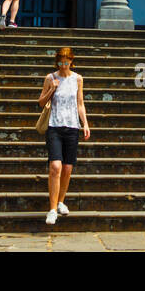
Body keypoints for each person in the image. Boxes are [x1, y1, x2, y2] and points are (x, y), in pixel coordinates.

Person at [37, 46, 90, 225]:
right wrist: (52, 89)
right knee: (55, 167)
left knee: (67, 168)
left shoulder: (78, 79)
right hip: (54, 126)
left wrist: (86, 123)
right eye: (60, 62)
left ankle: (60, 201)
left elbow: (80, 103)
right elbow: (40, 102)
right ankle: (52, 210)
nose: (63, 65)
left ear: (71, 61)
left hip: (72, 127)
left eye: (66, 62)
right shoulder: (50, 78)